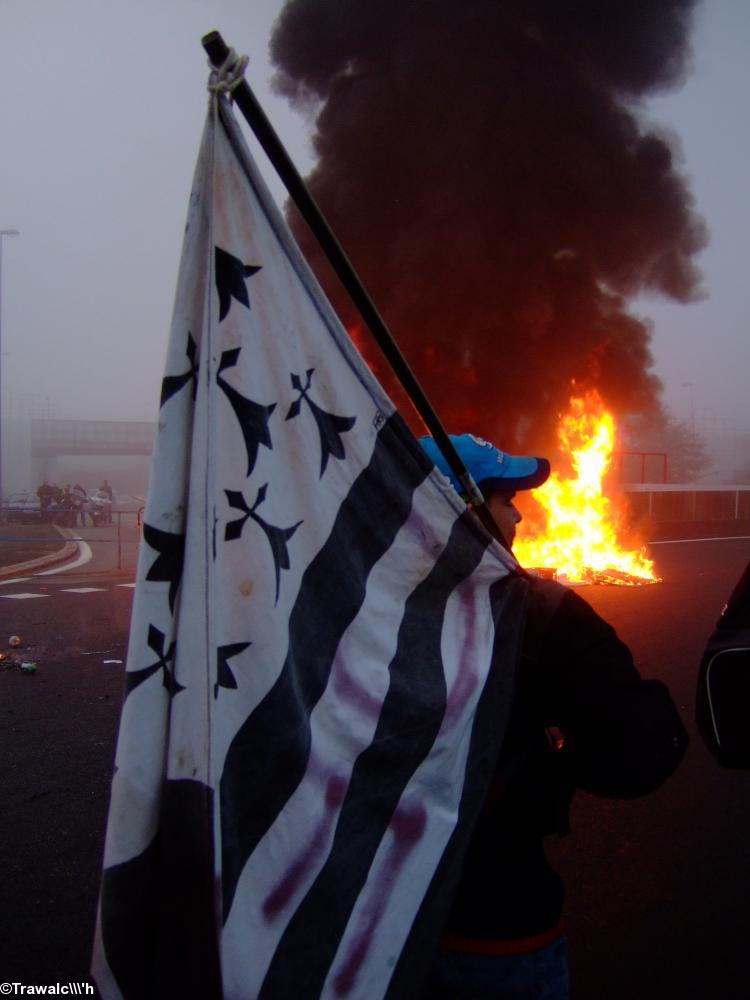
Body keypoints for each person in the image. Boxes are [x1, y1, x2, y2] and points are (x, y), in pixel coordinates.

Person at [419, 433, 688, 1000]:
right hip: (494, 931)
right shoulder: (539, 613)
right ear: (464, 509)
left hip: (359, 928)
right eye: (506, 500)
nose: (519, 515)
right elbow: (648, 746)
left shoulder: (344, 610)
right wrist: (554, 749)